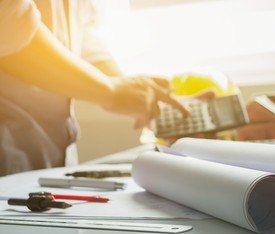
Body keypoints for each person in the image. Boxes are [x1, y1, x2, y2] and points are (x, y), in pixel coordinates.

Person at [0, 0, 191, 176]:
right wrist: (113, 91)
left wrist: (142, 98)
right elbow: (11, 27)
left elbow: (85, 39)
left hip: (51, 158)